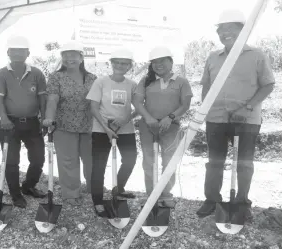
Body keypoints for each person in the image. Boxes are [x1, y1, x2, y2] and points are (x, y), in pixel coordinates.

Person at [197, 9, 275, 218]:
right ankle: (212, 199)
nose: (225, 33)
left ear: (244, 31)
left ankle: (242, 202)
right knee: (214, 161)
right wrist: (205, 108)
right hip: (216, 118)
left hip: (246, 120)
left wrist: (247, 108)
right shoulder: (213, 57)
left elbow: (268, 85)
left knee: (244, 163)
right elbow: (206, 86)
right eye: (221, 30)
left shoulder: (257, 55)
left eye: (231, 29)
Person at [133, 46, 193, 208]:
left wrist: (170, 117)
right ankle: (151, 194)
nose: (158, 65)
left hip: (171, 127)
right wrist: (149, 118)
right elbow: (137, 102)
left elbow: (185, 104)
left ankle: (165, 194)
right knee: (148, 161)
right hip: (147, 126)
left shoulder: (181, 82)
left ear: (171, 62)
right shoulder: (145, 81)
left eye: (162, 61)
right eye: (155, 62)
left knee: (169, 161)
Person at [0, 35, 47, 208]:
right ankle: (16, 195)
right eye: (13, 50)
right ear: (8, 52)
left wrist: (44, 119)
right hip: (10, 124)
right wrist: (5, 119)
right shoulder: (1, 74)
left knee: (38, 158)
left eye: (21, 51)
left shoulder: (37, 73)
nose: (17, 53)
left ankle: (28, 186)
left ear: (27, 53)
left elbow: (42, 99)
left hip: (32, 123)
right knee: (11, 161)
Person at [43, 41, 97, 206]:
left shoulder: (92, 78)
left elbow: (98, 101)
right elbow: (52, 99)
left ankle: (93, 187)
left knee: (91, 159)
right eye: (65, 55)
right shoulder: (56, 77)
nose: (69, 58)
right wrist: (48, 117)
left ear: (81, 57)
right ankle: (71, 193)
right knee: (68, 160)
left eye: (73, 55)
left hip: (89, 125)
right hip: (64, 125)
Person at [86, 48, 137, 216]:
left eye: (125, 63)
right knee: (99, 165)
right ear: (112, 63)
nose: (121, 66)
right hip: (101, 130)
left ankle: (119, 188)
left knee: (130, 159)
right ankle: (98, 201)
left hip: (125, 130)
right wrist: (106, 128)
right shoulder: (100, 82)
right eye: (117, 62)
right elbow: (93, 107)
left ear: (130, 66)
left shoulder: (132, 85)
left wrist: (125, 119)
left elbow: (140, 108)